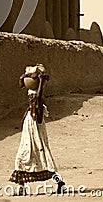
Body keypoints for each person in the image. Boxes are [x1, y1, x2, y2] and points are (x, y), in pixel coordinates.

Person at [9, 63, 66, 195]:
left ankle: (59, 182)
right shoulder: (31, 91)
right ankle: (21, 187)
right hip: (29, 123)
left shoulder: (38, 97)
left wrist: (40, 82)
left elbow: (39, 96)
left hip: (35, 124)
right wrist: (25, 76)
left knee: (38, 154)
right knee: (24, 154)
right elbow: (21, 84)